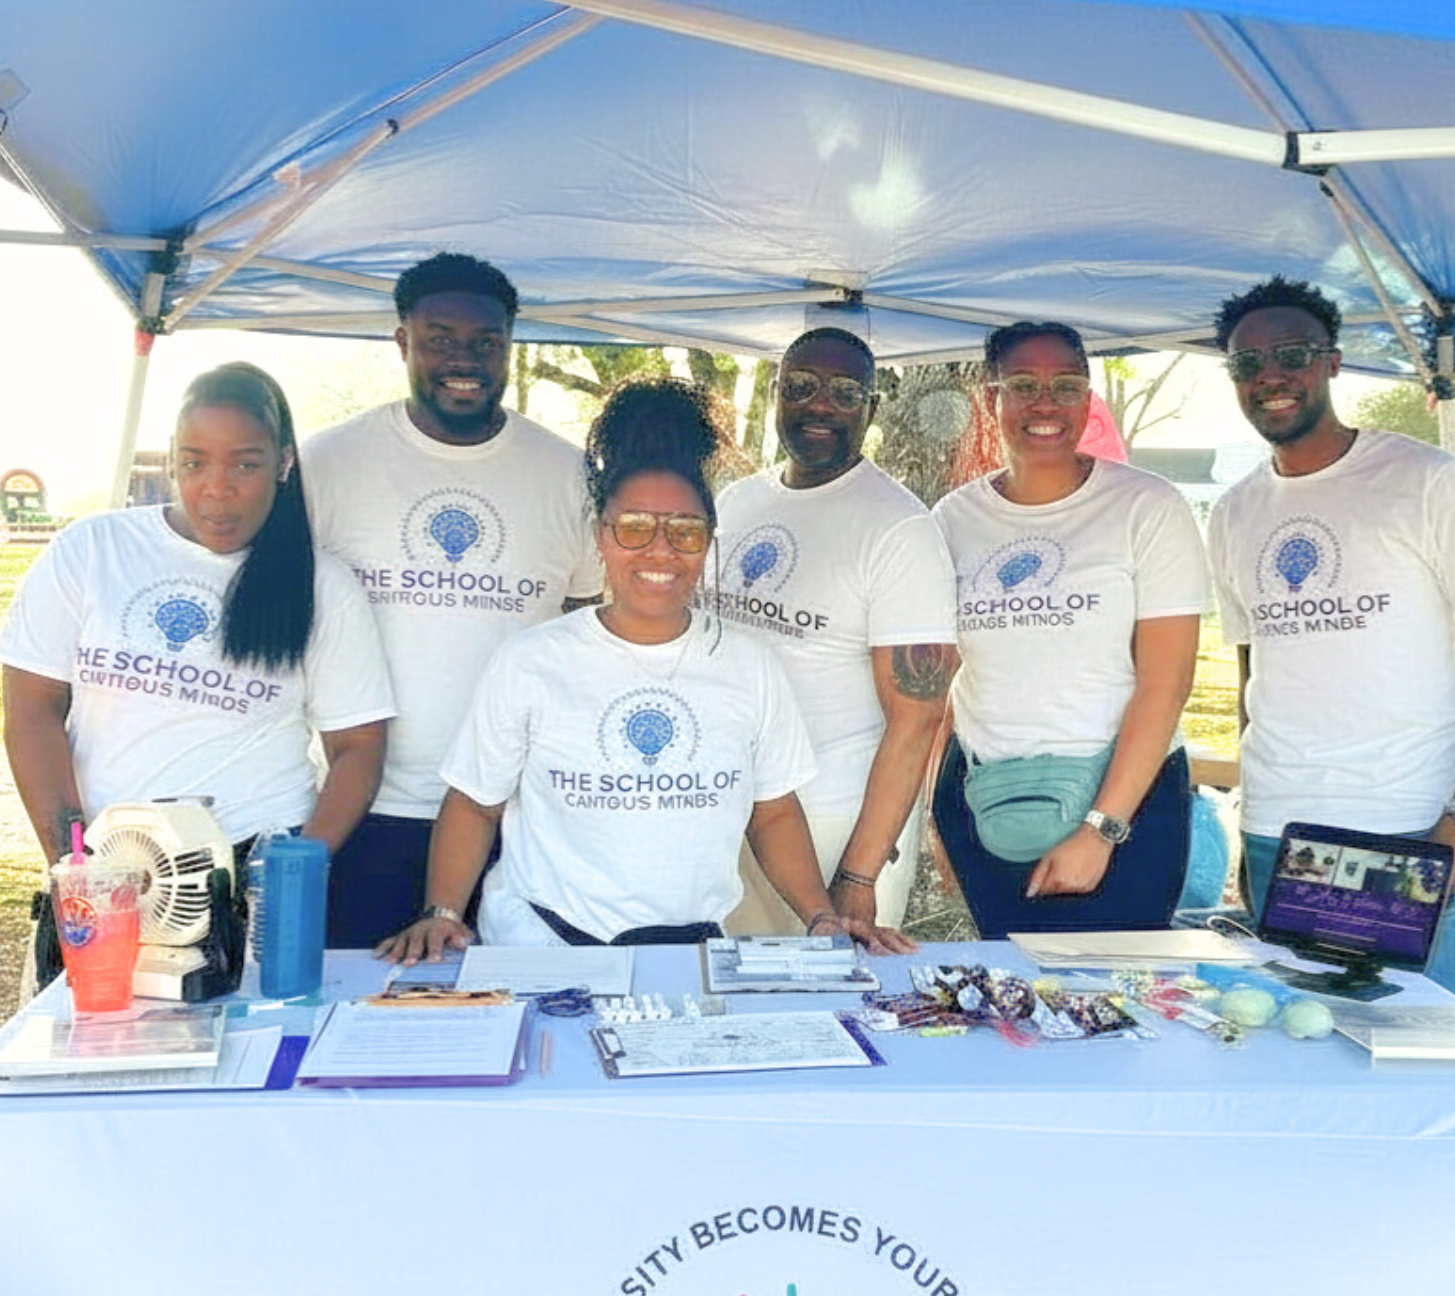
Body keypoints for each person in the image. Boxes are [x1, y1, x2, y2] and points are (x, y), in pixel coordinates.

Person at [375, 378, 916, 961]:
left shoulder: (750, 666)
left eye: (684, 531)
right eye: (633, 527)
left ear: (708, 543)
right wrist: (441, 913)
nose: (660, 551)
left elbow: (774, 811)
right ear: (600, 538)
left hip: (692, 952)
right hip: (541, 946)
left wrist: (820, 917)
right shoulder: (532, 661)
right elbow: (476, 802)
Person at [1205, 276, 1455, 1003]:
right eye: (1247, 363)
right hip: (1281, 833)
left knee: (1428, 1055)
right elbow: (1254, 676)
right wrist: (1248, 822)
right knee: (1296, 1048)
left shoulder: (1425, 481)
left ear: (1331, 362)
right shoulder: (1232, 514)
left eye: (1291, 354)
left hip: (1410, 829)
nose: (1270, 376)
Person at [302, 253, 602, 947]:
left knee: (512, 1027)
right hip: (364, 812)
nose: (462, 358)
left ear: (509, 345)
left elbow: (579, 633)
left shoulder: (569, 477)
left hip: (518, 814)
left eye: (485, 342)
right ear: (402, 340)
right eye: (439, 339)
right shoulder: (327, 466)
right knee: (361, 1021)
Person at [0, 363, 394, 866]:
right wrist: (73, 862)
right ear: (171, 460)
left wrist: (294, 869)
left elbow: (358, 745)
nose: (217, 488)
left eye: (245, 465)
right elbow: (32, 712)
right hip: (110, 858)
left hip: (256, 857)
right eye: (194, 463)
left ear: (284, 462)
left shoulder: (323, 586)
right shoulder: (91, 549)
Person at [929, 321, 1211, 939]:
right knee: (1011, 1008)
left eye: (1066, 385)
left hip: (1126, 810)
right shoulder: (953, 519)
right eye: (1023, 384)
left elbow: (1167, 682)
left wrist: (1101, 828)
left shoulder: (1147, 507)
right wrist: (938, 813)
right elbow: (946, 680)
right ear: (989, 397)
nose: (1045, 404)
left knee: (1115, 1009)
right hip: (986, 803)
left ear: (1088, 397)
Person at [708, 328, 958, 934]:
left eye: (845, 393)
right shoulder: (736, 502)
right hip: (717, 812)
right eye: (801, 386)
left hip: (829, 829)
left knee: (814, 1015)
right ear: (775, 396)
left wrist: (860, 873)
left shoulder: (898, 529)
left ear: (871, 410)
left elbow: (918, 718)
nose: (820, 405)